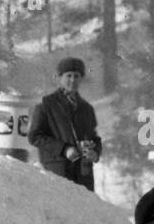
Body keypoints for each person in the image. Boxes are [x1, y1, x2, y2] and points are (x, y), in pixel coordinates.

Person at [27, 56, 102, 192]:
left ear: (81, 79)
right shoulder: (46, 106)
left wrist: (95, 152)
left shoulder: (87, 108)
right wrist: (64, 149)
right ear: (60, 77)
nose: (72, 80)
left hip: (83, 175)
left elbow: (95, 137)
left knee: (85, 211)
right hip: (56, 173)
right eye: (68, 76)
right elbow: (34, 137)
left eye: (76, 76)